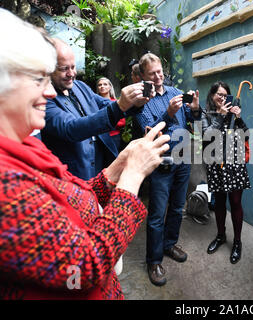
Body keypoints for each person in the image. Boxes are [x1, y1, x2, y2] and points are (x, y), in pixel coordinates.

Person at [0, 8, 170, 299]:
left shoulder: (25, 147)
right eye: (38, 79)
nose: (50, 91)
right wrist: (131, 177)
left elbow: (75, 192)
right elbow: (82, 268)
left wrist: (120, 163)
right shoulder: (6, 187)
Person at [133, 52, 201, 287]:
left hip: (183, 159)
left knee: (177, 208)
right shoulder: (142, 101)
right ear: (143, 76)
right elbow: (150, 131)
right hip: (162, 163)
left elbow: (191, 123)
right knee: (156, 214)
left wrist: (194, 108)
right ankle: (153, 260)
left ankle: (170, 244)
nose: (158, 76)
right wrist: (168, 113)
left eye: (160, 71)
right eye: (152, 73)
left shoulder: (174, 93)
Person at [41, 39, 139, 180]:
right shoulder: (44, 98)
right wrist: (120, 106)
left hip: (102, 171)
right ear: (48, 69)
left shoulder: (80, 86)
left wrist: (135, 102)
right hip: (75, 177)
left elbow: (106, 104)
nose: (71, 73)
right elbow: (71, 128)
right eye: (64, 69)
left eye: (73, 67)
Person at [201, 81, 251, 264]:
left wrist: (238, 118)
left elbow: (246, 134)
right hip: (216, 163)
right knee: (220, 201)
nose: (222, 98)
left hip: (235, 161)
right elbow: (207, 137)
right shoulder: (205, 114)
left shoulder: (233, 111)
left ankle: (237, 242)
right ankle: (221, 236)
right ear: (212, 96)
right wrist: (220, 116)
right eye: (219, 95)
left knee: (236, 202)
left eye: (225, 95)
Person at [96, 77, 125, 151]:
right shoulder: (94, 104)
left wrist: (106, 122)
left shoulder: (116, 103)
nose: (102, 86)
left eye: (105, 84)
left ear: (110, 87)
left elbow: (122, 122)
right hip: (100, 138)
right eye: (100, 85)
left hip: (114, 136)